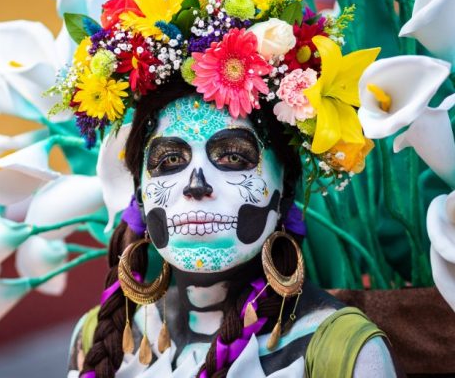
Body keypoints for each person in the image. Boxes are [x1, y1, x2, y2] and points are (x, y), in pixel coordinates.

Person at [65, 80, 403, 377]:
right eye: (169, 160)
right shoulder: (96, 336)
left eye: (232, 158)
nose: (195, 185)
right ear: (139, 196)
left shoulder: (345, 351)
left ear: (284, 191)